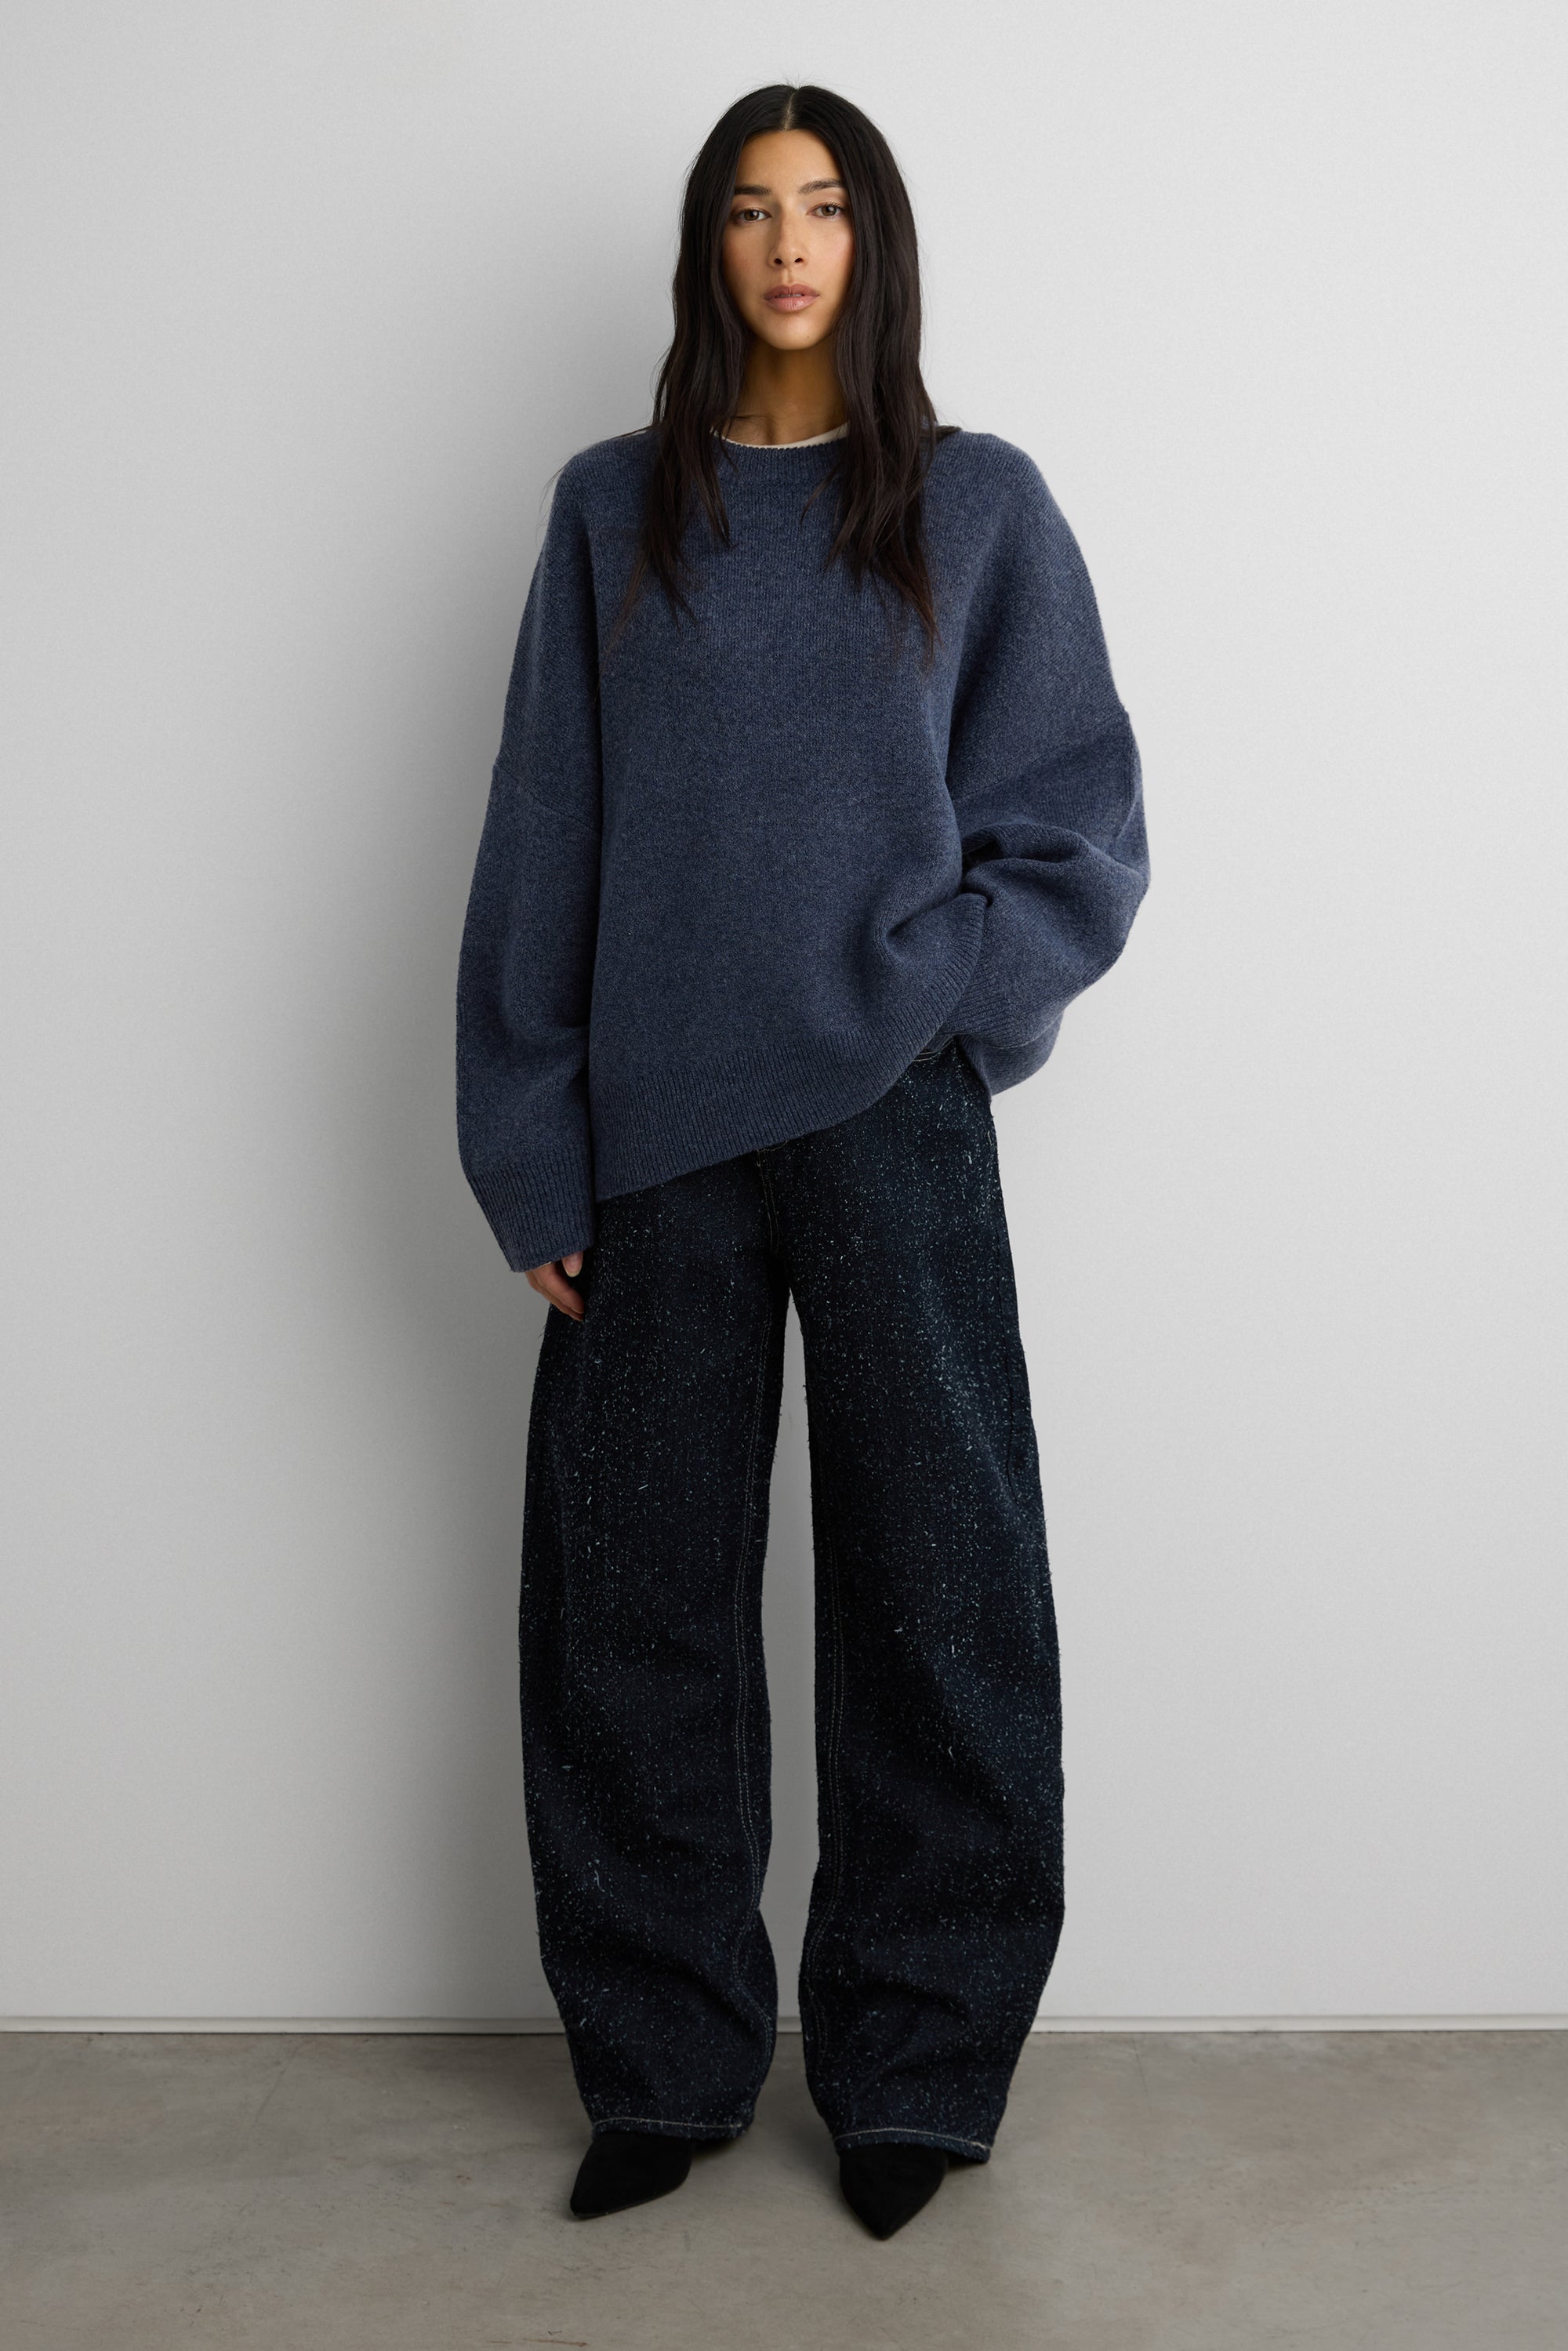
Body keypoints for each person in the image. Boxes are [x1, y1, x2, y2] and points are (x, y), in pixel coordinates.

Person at [456, 82, 1148, 2240]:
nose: (786, 244)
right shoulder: (613, 512)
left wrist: (939, 984)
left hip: (890, 1117)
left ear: (873, 242)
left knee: (942, 1596)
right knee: (631, 1610)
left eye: (824, 206)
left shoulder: (976, 504)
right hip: (654, 1135)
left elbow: (1077, 827)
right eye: (751, 210)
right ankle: (662, 2068)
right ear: (708, 248)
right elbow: (544, 834)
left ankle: (916, 2078)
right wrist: (530, 1144)